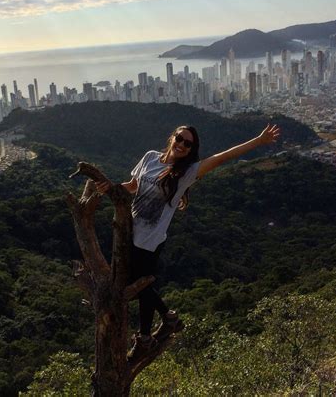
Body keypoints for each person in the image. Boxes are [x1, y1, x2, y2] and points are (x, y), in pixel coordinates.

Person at [96, 123, 280, 362]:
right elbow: (132, 187)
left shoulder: (187, 172)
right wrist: (109, 188)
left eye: (188, 143)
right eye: (180, 139)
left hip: (150, 240)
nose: (182, 145)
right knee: (139, 285)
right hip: (128, 233)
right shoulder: (150, 157)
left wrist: (258, 140)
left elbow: (223, 157)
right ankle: (167, 317)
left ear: (192, 149)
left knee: (140, 287)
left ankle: (144, 337)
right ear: (172, 138)